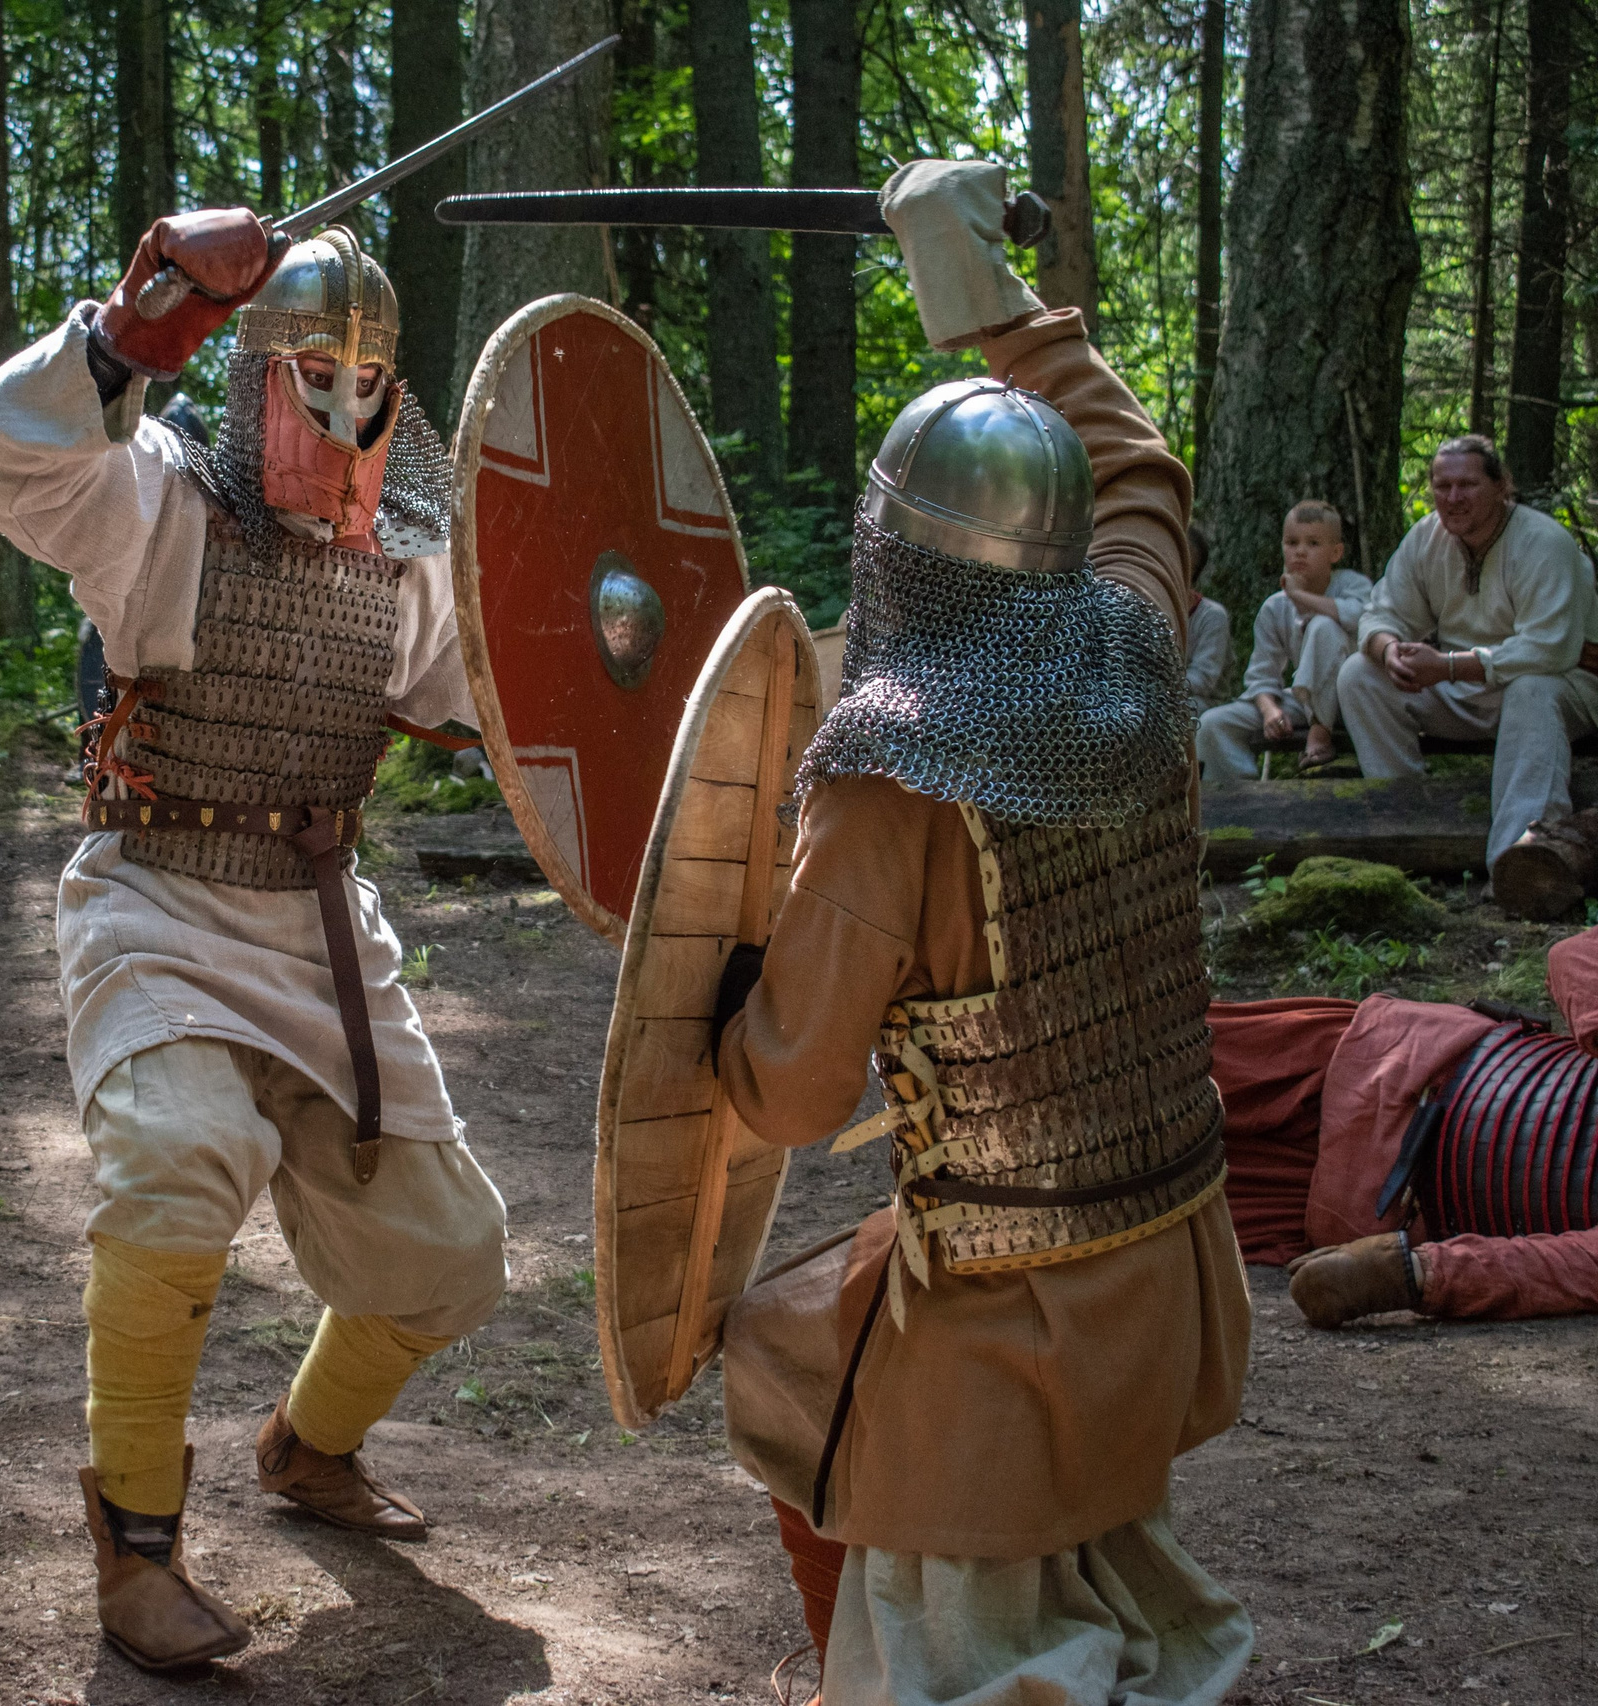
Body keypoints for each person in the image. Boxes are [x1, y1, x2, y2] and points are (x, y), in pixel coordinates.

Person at [711, 160, 1252, 1704]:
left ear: (892, 556)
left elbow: (799, 1092)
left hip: (1004, 1320)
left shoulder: (888, 795)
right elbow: (1140, 462)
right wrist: (989, 299)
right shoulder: (1138, 646)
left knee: (968, 1647)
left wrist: (722, 1004)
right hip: (1167, 1261)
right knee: (797, 1338)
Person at [0, 212, 506, 1671]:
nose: (342, 410)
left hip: (324, 929)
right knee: (176, 1163)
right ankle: (136, 1545)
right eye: (311, 376)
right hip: (159, 904)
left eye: (368, 384)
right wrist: (138, 331)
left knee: (455, 1257)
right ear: (255, 373)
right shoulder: (157, 502)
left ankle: (305, 1448)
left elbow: (487, 700)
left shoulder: (412, 548)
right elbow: (7, 451)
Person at [1209, 925, 1598, 1326]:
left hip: (1342, 1199)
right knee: (1152, 1063)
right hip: (1379, 1061)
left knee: (1155, 1219)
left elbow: (1558, 1268)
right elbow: (1576, 954)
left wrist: (1410, 1275)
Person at [1335, 435, 1598, 914]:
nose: (1453, 498)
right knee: (1360, 675)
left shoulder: (1545, 542)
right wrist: (1389, 649)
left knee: (1532, 688)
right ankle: (1408, 833)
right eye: (1443, 485)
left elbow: (1552, 649)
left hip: (1564, 689)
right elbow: (1381, 612)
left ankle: (1521, 860)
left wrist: (1448, 666)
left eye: (1468, 485)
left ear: (1503, 487)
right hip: (1467, 686)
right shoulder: (1427, 537)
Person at [1196, 500, 1375, 778]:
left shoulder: (1353, 585)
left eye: (1313, 544)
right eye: (1292, 542)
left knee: (1324, 626)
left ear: (1336, 552)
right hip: (1304, 700)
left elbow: (1359, 617)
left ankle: (1321, 729)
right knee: (1213, 723)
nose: (1300, 551)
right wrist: (1270, 711)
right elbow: (1261, 674)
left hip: (1353, 700)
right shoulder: (1275, 607)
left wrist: (1300, 596)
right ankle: (1238, 799)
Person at [1184, 525, 1231, 718]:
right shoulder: (1147, 611)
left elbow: (1203, 679)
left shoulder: (1212, 616)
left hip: (1205, 705)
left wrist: (1158, 688)